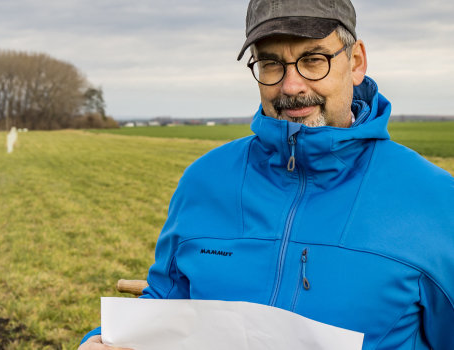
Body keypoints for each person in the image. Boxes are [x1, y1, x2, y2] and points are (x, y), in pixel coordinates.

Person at [79, 0, 454, 349]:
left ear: (355, 62)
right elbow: (165, 302)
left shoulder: (435, 200)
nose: (291, 86)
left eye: (313, 59)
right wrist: (103, 340)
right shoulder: (204, 180)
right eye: (272, 64)